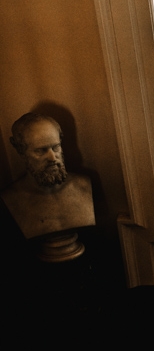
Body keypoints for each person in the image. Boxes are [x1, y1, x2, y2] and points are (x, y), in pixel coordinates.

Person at [2, 112, 95, 263]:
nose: (52, 158)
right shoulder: (10, 199)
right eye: (40, 151)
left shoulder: (84, 185)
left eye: (56, 147)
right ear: (20, 150)